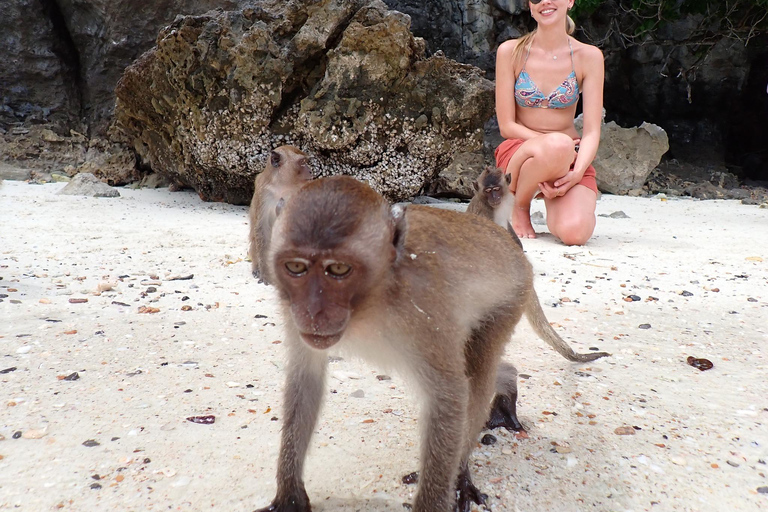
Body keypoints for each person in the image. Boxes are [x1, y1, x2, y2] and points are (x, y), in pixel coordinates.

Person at [494, 0, 604, 245]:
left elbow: (592, 132)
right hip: (520, 153)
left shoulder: (589, 57)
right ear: (530, 7)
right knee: (558, 145)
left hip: (570, 157)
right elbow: (506, 126)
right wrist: (554, 146)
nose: (544, 1)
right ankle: (519, 206)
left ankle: (552, 193)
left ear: (570, 1)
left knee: (575, 233)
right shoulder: (510, 52)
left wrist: (575, 172)